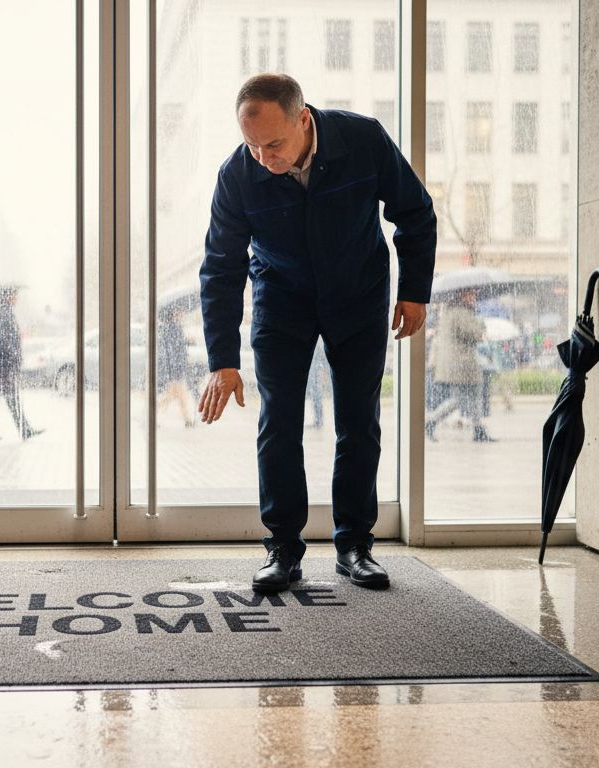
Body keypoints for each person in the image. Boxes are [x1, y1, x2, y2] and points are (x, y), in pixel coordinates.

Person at [198, 74, 436, 593]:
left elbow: (415, 212)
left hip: (358, 294)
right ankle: (282, 548)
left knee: (358, 420)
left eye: (274, 144)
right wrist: (223, 360)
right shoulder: (237, 175)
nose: (263, 157)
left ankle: (354, 545)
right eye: (252, 145)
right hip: (281, 300)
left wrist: (414, 291)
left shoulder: (363, 139)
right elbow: (221, 266)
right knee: (278, 422)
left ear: (303, 119)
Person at [426, 288, 495, 443]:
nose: (474, 296)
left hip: (456, 363)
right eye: (471, 294)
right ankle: (431, 421)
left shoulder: (451, 310)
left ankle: (477, 429)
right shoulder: (462, 312)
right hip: (462, 363)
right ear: (462, 294)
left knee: (470, 394)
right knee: (463, 397)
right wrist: (481, 324)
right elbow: (475, 334)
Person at [0, 286, 43, 441]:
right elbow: (2, 339)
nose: (16, 298)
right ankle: (23, 430)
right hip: (2, 364)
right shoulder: (2, 312)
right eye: (14, 295)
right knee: (8, 397)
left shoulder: (1, 311)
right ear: (8, 296)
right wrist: (13, 356)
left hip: (0, 363)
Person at [156, 305, 196, 428]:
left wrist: (188, 341)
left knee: (174, 395)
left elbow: (175, 347)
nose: (182, 312)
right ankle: (188, 420)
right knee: (177, 394)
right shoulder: (173, 328)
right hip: (175, 368)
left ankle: (188, 420)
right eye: (179, 310)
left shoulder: (170, 328)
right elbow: (174, 349)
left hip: (174, 367)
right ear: (173, 313)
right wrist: (187, 341)